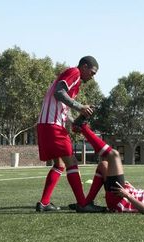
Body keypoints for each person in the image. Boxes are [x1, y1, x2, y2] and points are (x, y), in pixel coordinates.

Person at [35, 56, 105, 213]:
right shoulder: (74, 72)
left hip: (46, 124)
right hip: (53, 125)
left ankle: (44, 203)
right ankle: (82, 203)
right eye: (92, 73)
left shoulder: (76, 81)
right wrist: (80, 106)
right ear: (84, 67)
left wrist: (74, 122)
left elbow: (61, 106)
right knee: (72, 161)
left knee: (59, 164)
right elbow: (59, 93)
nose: (92, 77)